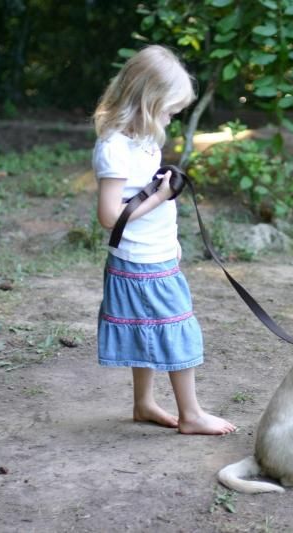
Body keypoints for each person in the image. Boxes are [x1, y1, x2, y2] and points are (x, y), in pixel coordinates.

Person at [91, 45, 235, 435]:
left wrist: (169, 239)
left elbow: (143, 201)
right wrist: (158, 197)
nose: (172, 117)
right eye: (169, 109)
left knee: (147, 325)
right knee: (176, 327)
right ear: (147, 100)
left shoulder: (143, 139)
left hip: (154, 253)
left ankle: (143, 403)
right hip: (139, 259)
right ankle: (190, 414)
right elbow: (109, 216)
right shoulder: (114, 148)